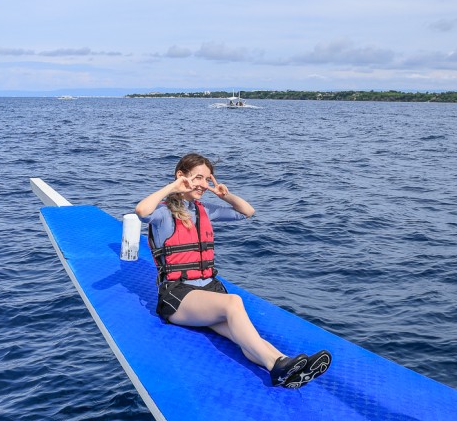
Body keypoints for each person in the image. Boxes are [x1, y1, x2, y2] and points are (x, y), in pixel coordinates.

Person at [135, 153, 331, 389]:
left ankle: (283, 364)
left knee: (243, 337)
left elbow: (247, 212)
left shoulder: (204, 210)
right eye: (198, 178)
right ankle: (279, 366)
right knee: (233, 303)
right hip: (177, 296)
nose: (204, 185)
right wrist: (173, 187)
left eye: (208, 179)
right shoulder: (164, 213)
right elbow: (142, 211)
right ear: (181, 176)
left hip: (207, 291)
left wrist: (226, 196)